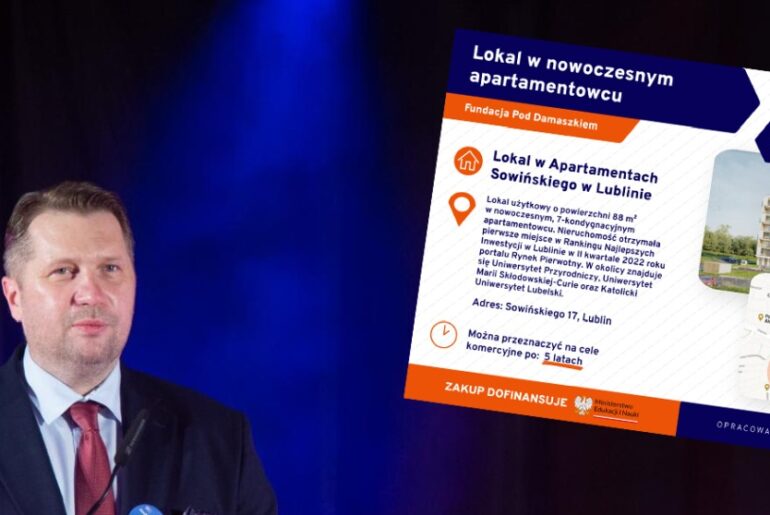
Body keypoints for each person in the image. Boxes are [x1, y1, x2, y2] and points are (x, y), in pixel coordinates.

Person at [0, 181, 277, 515]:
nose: (91, 294)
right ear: (15, 297)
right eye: (63, 271)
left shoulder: (220, 438)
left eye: (110, 269)